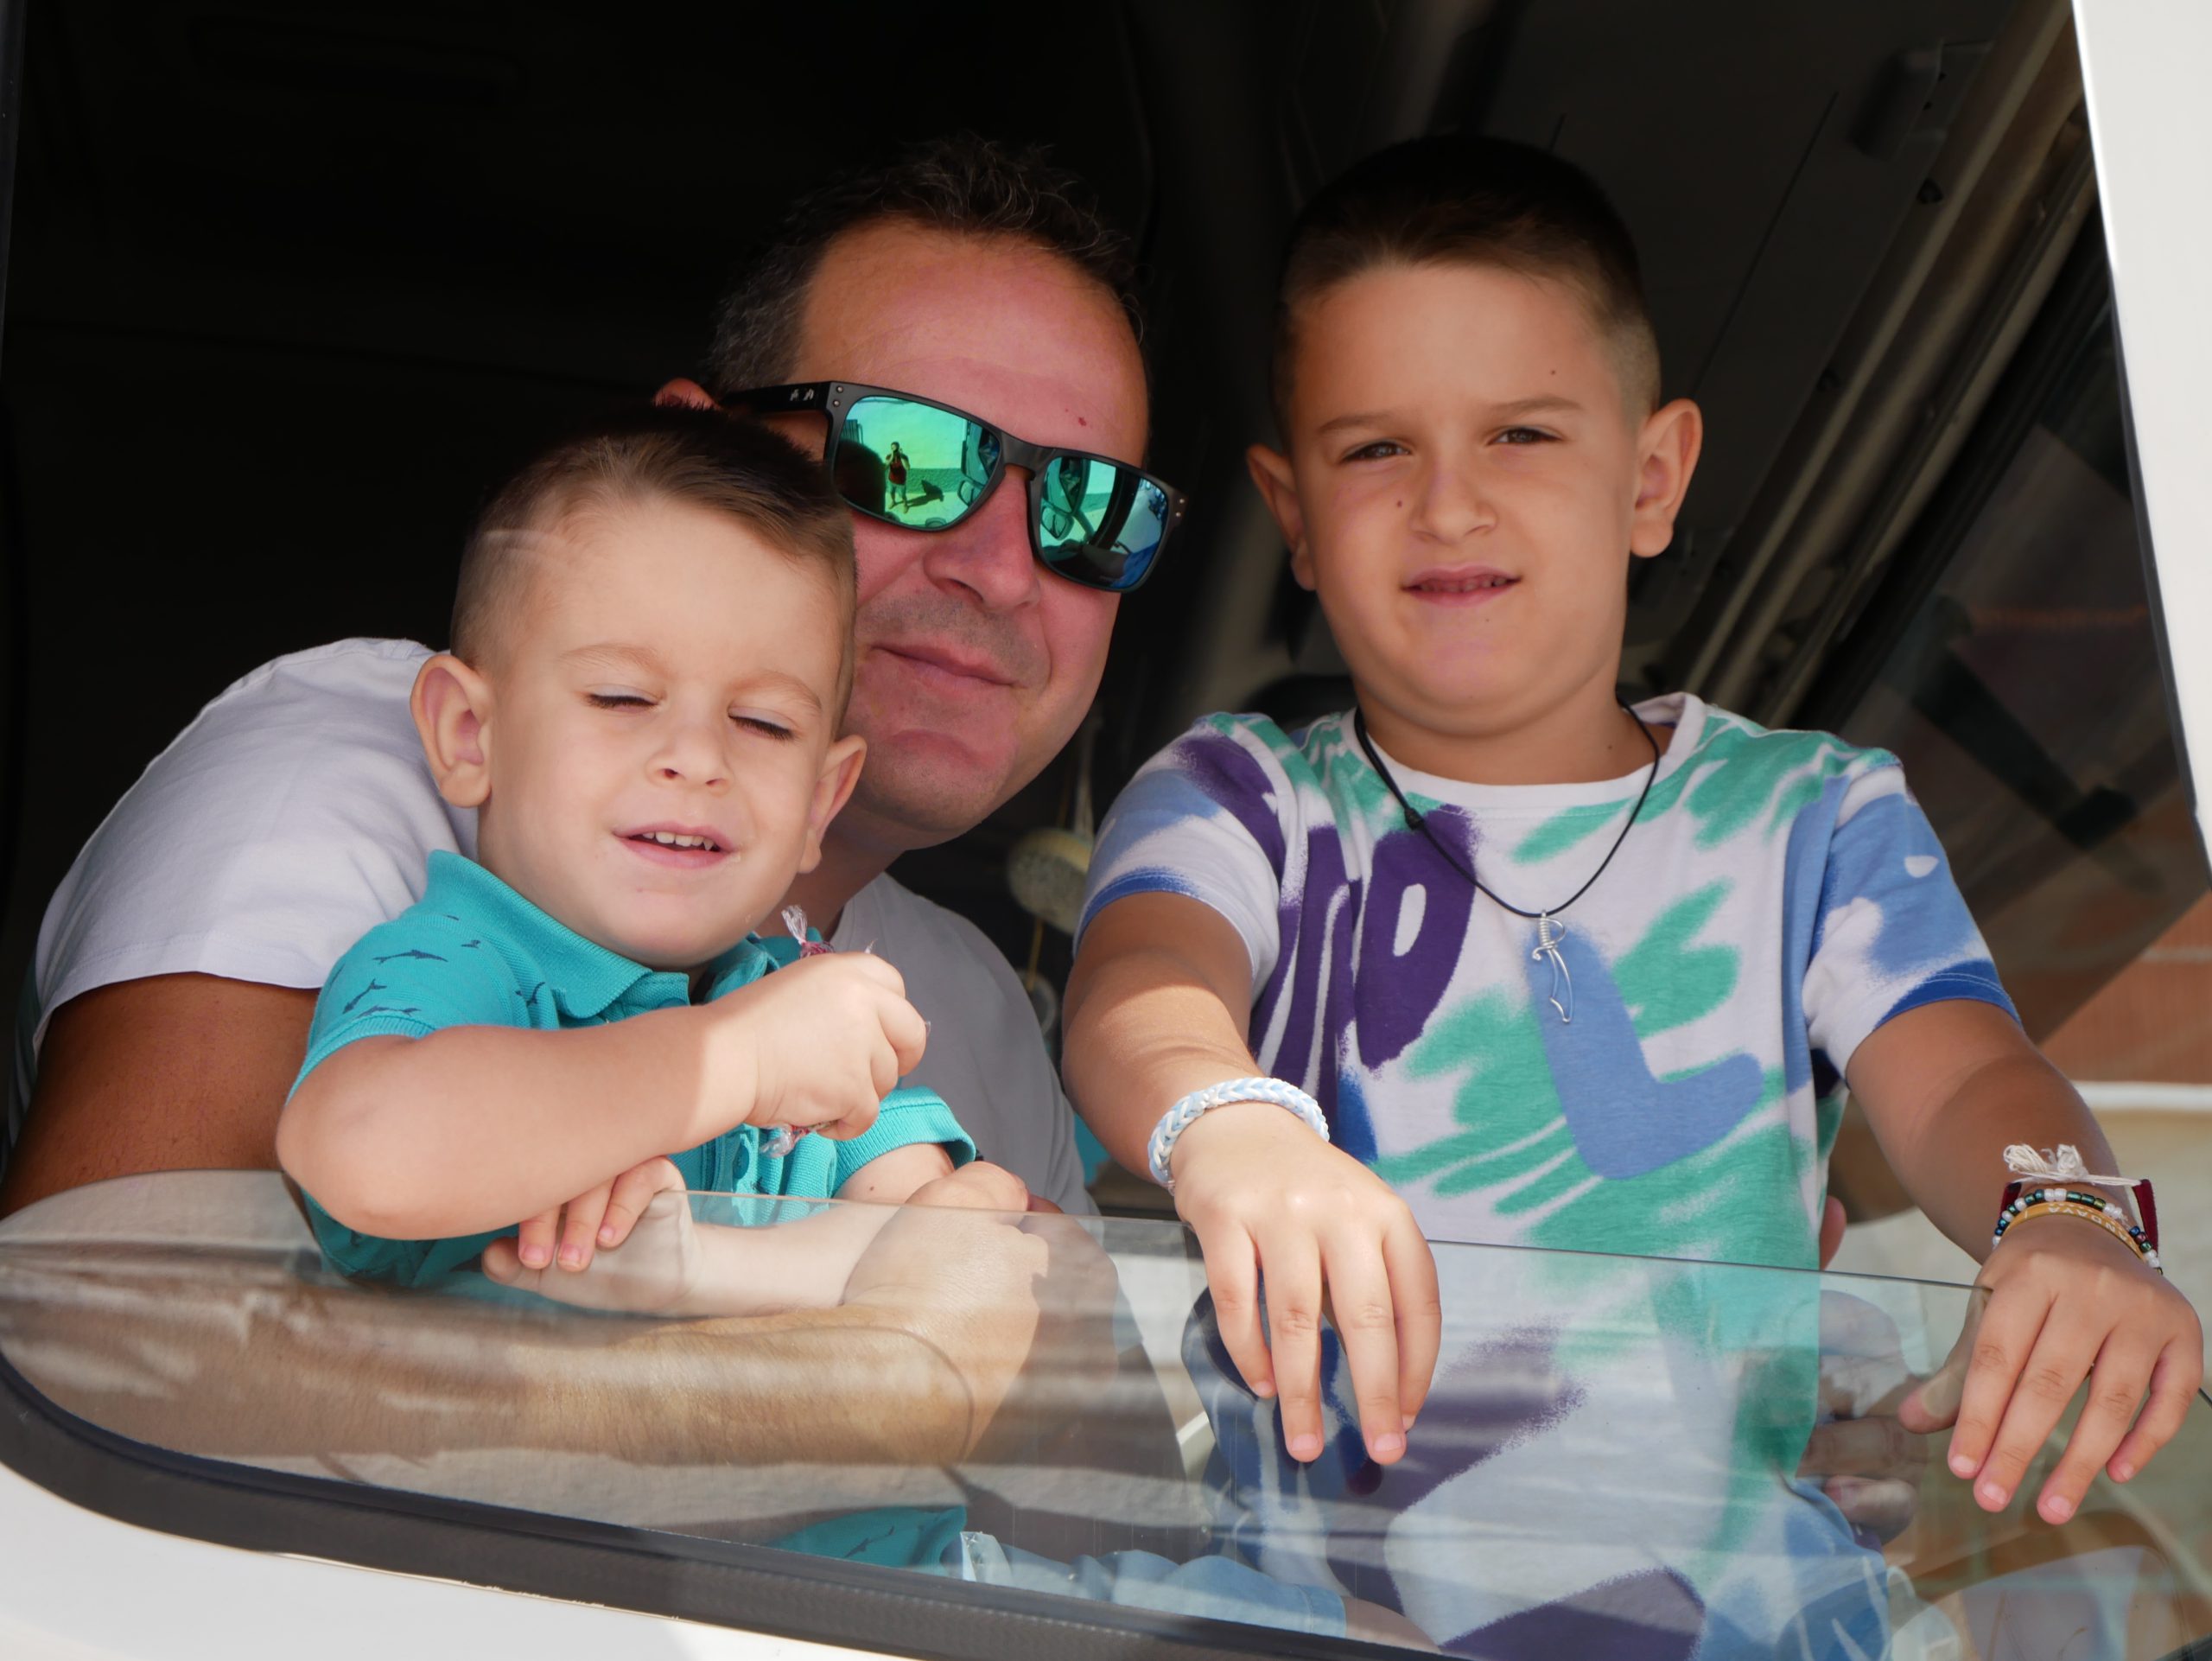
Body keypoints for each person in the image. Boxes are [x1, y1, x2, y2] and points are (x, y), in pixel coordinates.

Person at [1064, 134, 2202, 1543]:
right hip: (1322, 1618)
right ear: (1293, 512)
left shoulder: (1814, 819)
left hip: (1736, 1618)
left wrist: (2070, 1220)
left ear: (1653, 478)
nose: (1449, 502)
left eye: (1522, 434)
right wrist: (1228, 1122)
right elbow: (1143, 984)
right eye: (1376, 449)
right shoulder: (1241, 800)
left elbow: (1970, 1072)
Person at [278, 404, 995, 1307]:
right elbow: (364, 1151)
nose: (696, 758)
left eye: (762, 722)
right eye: (621, 697)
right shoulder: (460, 964)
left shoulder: (793, 1006)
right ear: (468, 733)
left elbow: (935, 1230)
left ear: (820, 800)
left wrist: (698, 1268)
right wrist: (733, 1062)